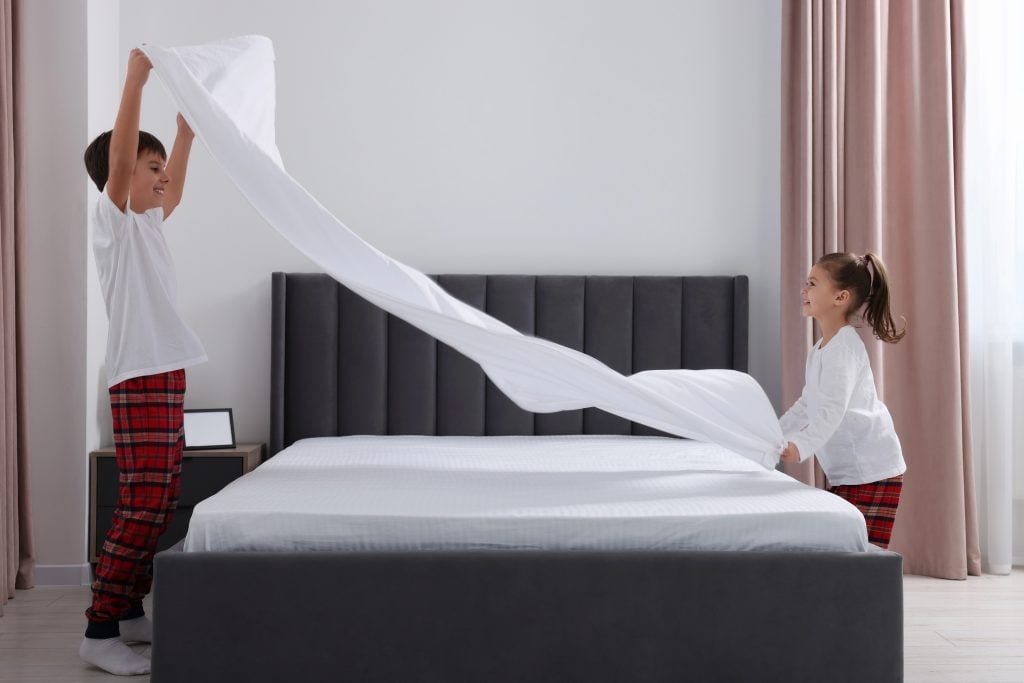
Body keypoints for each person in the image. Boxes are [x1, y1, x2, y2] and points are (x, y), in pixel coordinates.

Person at [80, 48, 207, 676]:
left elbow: (175, 186)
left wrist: (184, 136)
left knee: (162, 499)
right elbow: (126, 157)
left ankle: (129, 610)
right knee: (143, 500)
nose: (160, 179)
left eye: (160, 170)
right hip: (140, 374)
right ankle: (99, 627)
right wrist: (136, 80)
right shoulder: (114, 222)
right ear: (120, 175)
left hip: (166, 370)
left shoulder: (150, 224)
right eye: (149, 168)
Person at [779, 252, 907, 549]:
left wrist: (801, 446)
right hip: (849, 472)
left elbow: (831, 410)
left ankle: (873, 596)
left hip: (872, 469)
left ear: (840, 297)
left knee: (861, 554)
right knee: (842, 552)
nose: (803, 290)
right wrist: (775, 433)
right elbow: (807, 404)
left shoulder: (844, 349)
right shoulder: (822, 348)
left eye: (812, 283)